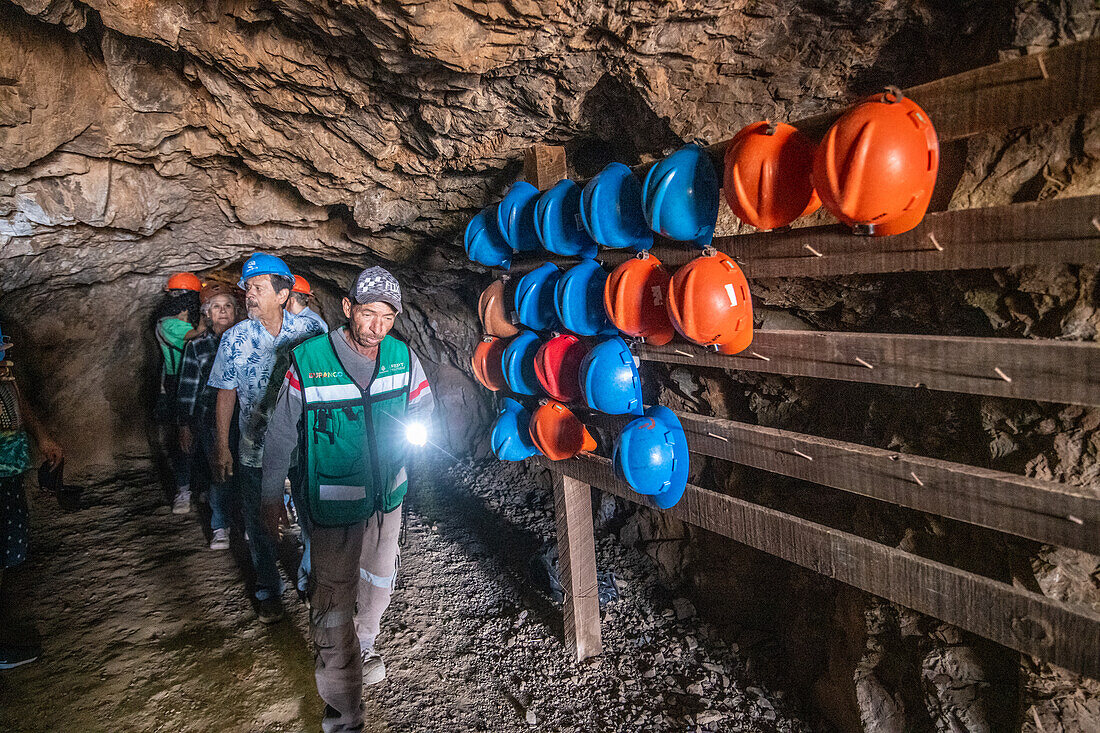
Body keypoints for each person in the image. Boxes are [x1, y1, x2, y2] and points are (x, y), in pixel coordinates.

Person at [261, 266, 433, 732]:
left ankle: (367, 642)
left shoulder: (402, 357)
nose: (376, 326)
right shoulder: (309, 360)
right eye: (368, 313)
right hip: (333, 504)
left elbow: (423, 408)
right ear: (348, 308)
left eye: (387, 317)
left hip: (387, 498)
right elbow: (279, 437)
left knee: (379, 579)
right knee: (332, 600)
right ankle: (344, 713)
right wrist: (270, 495)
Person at [207, 253, 325, 623]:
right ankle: (268, 589)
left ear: (283, 293)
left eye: (257, 288)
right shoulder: (234, 339)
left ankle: (308, 581)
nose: (249, 296)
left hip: (303, 447)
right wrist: (222, 445)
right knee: (260, 523)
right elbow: (225, 392)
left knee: (312, 517)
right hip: (254, 448)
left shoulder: (311, 333)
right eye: (248, 289)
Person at [0, 323, 63, 669]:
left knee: (7, 551)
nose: (4, 357)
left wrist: (43, 439)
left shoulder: (5, 376)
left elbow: (17, 401)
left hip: (8, 470)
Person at [177, 283, 242, 550]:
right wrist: (184, 425)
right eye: (217, 307)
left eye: (228, 306)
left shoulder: (247, 340)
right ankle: (220, 526)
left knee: (247, 473)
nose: (223, 311)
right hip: (209, 418)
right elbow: (187, 386)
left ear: (236, 311)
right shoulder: (197, 346)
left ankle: (247, 523)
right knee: (221, 471)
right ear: (207, 314)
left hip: (245, 418)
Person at [155, 273, 204, 514]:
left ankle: (199, 485)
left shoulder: (181, 320)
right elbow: (196, 337)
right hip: (179, 383)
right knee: (185, 438)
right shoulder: (167, 323)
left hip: (197, 381)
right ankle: (184, 489)